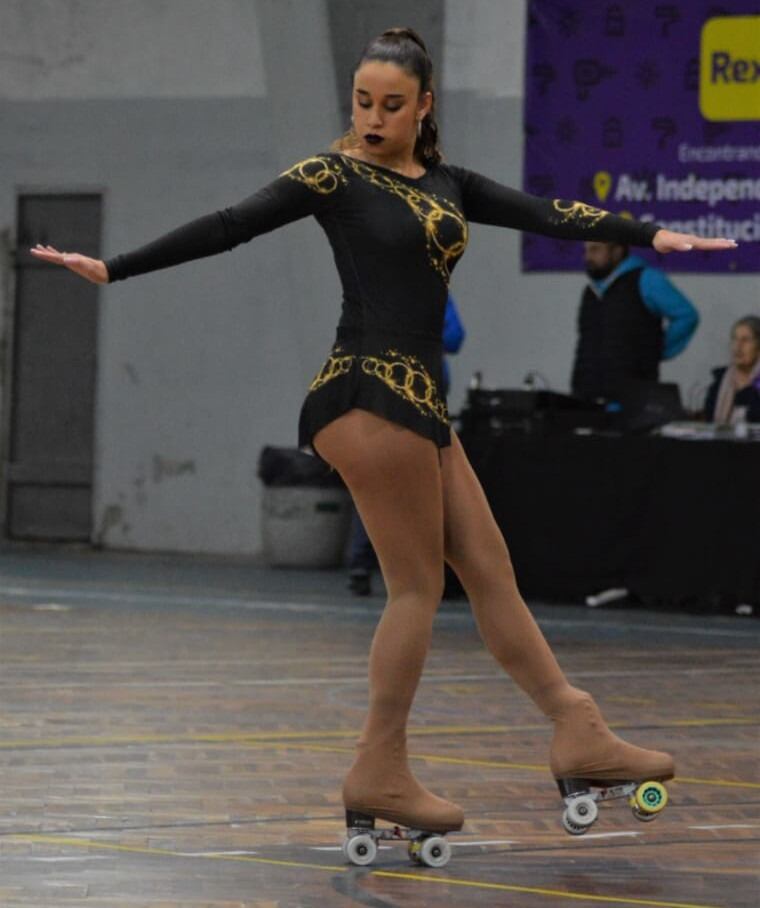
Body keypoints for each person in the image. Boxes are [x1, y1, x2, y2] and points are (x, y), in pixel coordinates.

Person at [32, 27, 736, 851]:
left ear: (424, 107)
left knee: (490, 571)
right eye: (362, 101)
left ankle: (577, 727)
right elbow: (232, 223)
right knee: (415, 589)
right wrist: (114, 267)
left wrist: (651, 233)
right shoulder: (331, 175)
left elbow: (547, 211)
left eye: (390, 104)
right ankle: (379, 766)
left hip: (420, 406)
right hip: (367, 393)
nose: (371, 117)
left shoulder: (449, 183)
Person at [347, 292, 465, 596]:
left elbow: (455, 337)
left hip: (426, 395)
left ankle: (420, 560)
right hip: (392, 395)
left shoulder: (435, 292)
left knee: (416, 480)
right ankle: (365, 559)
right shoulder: (379, 292)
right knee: (381, 478)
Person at [571, 240, 700, 403]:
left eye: (595, 250)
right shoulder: (590, 291)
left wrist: (657, 350)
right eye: (586, 251)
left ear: (617, 251)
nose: (588, 257)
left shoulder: (646, 280)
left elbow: (686, 316)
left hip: (634, 399)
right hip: (587, 396)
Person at [704, 315, 760, 424]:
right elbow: (709, 418)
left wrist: (746, 392)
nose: (738, 346)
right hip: (720, 441)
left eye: (745, 340)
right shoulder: (720, 380)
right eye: (734, 339)